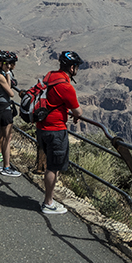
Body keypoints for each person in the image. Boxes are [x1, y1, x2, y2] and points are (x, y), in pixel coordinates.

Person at [36, 51, 84, 215]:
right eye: (76, 66)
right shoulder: (65, 86)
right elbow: (77, 111)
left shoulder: (50, 76)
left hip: (41, 128)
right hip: (55, 130)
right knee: (53, 167)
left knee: (51, 165)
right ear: (72, 67)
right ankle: (48, 202)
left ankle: (49, 199)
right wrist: (75, 115)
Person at [0, 50, 21, 177]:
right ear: (0, 63)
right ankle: (6, 167)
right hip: (3, 109)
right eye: (6, 63)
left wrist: (6, 74)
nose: (9, 66)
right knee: (7, 138)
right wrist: (7, 74)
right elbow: (11, 92)